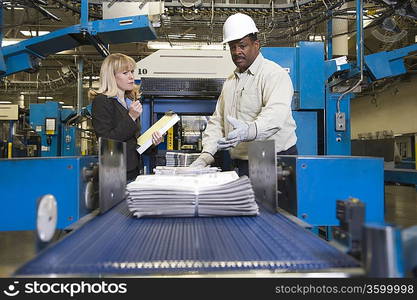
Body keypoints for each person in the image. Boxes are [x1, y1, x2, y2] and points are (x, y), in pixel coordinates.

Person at [190, 13, 297, 176]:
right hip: (240, 162)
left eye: (242, 45)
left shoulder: (274, 74)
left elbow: (276, 115)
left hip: (273, 160)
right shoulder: (231, 81)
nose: (236, 51)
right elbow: (218, 121)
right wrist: (206, 155)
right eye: (232, 47)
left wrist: (249, 130)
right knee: (243, 202)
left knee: (270, 202)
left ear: (256, 45)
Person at [91, 53, 163, 181]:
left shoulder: (129, 102)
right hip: (114, 173)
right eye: (125, 73)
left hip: (133, 170)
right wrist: (131, 117)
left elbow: (132, 143)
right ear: (112, 76)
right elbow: (107, 141)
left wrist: (152, 143)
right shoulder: (102, 101)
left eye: (131, 72)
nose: (131, 77)